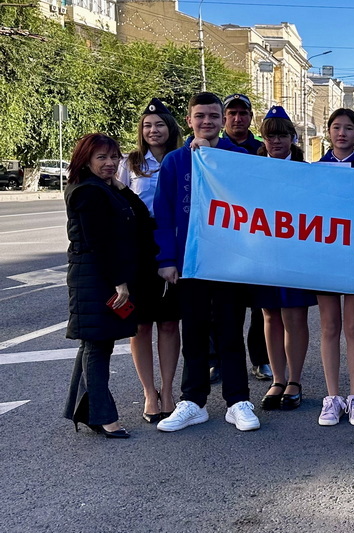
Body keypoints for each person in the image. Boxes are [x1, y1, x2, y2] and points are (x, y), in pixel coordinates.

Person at [154, 92, 260, 433]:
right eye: (200, 116)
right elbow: (164, 212)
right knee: (195, 331)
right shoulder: (174, 161)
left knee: (230, 330)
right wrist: (167, 259)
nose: (207, 122)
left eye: (214, 116)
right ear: (189, 120)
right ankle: (193, 401)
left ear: (223, 120)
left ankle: (237, 400)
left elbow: (255, 206)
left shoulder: (240, 157)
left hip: (228, 260)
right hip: (189, 261)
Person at [63, 134, 157, 439]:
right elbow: (99, 243)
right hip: (95, 277)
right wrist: (120, 284)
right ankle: (104, 417)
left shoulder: (104, 189)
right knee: (97, 344)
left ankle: (86, 411)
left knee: (94, 344)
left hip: (100, 274)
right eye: (102, 158)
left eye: (114, 157)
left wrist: (121, 186)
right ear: (86, 160)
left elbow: (142, 219)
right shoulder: (88, 193)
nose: (110, 163)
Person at [116, 99, 182, 424]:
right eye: (147, 125)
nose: (153, 130)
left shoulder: (180, 160)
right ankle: (149, 393)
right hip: (138, 248)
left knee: (169, 322)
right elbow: (117, 204)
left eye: (158, 124)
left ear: (171, 128)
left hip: (170, 243)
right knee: (140, 325)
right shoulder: (129, 163)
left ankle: (168, 390)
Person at [248, 107, 317, 416]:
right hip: (263, 254)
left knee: (293, 316)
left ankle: (295, 381)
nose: (275, 140)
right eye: (270, 134)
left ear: (293, 138)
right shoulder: (252, 168)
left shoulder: (305, 170)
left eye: (281, 134)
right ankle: (277, 379)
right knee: (270, 316)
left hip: (296, 256)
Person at [315, 108, 354, 426]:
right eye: (336, 127)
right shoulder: (314, 170)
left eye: (348, 128)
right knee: (328, 327)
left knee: (353, 327)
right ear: (328, 132)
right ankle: (332, 396)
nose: (341, 133)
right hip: (325, 256)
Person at [216, 92, 271, 382]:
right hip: (223, 238)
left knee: (259, 306)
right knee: (224, 307)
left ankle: (260, 359)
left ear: (250, 118)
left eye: (243, 113)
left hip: (258, 237)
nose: (237, 118)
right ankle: (220, 360)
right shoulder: (211, 148)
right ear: (224, 118)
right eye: (232, 113)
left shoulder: (261, 150)